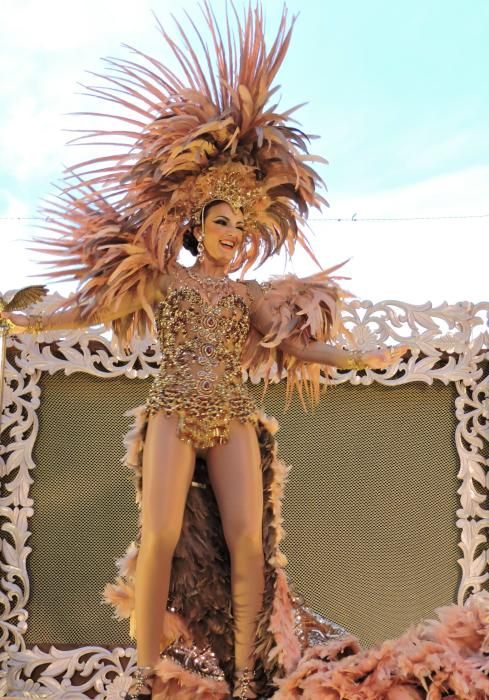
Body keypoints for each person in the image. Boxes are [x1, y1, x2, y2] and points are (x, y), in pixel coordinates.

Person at [3, 3, 489, 699]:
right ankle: (144, 672)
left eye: (242, 223)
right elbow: (93, 308)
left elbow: (297, 347)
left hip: (230, 414)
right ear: (197, 226)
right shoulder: (165, 279)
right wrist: (24, 325)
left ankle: (241, 677)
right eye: (222, 220)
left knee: (250, 546)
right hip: (172, 411)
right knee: (162, 543)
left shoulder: (247, 297)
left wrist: (360, 362)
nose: (234, 232)